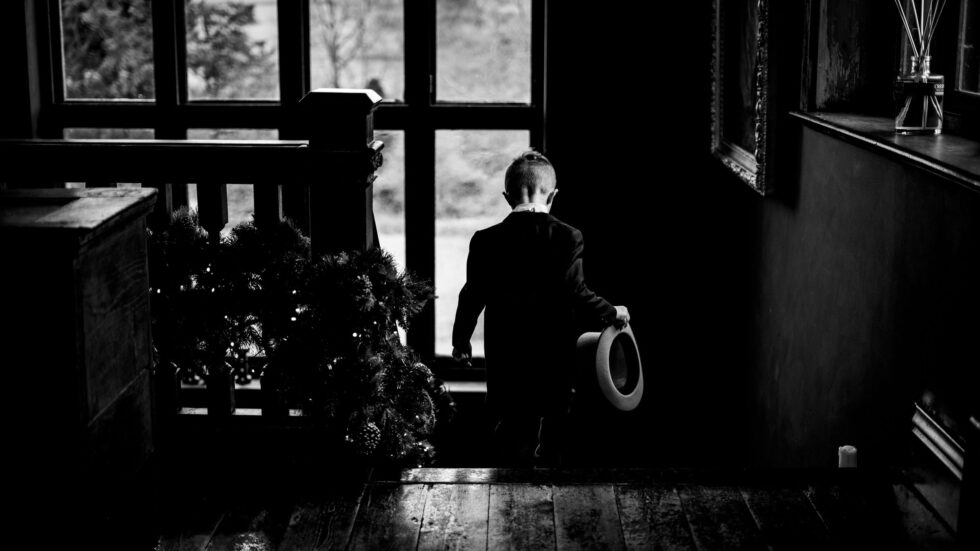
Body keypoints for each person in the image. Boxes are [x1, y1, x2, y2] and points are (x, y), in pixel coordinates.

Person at [451, 150, 629, 466]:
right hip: (554, 350)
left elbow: (472, 295)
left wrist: (461, 340)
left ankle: (506, 486)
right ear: (553, 195)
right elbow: (576, 291)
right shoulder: (568, 236)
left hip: (506, 350)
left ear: (507, 197)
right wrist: (611, 311)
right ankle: (550, 486)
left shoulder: (485, 240)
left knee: (511, 422)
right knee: (557, 417)